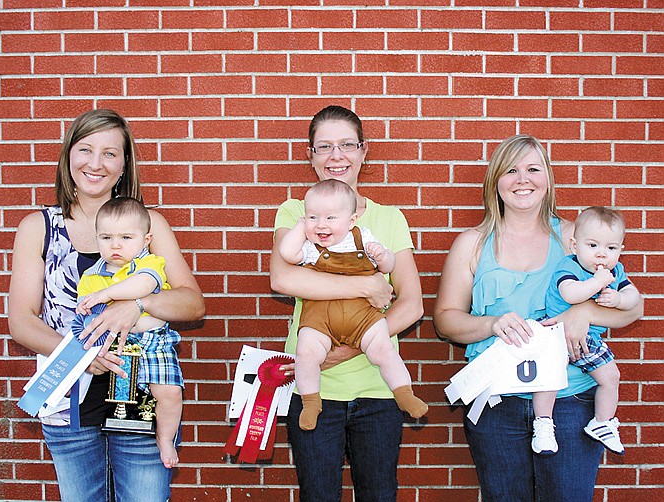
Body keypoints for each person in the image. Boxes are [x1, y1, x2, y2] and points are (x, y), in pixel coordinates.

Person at [8, 109, 205, 501]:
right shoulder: (38, 228)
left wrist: (138, 304)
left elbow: (193, 303)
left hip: (142, 398)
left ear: (124, 165)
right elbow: (22, 322)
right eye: (85, 149)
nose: (95, 163)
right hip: (69, 406)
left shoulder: (150, 225)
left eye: (110, 153)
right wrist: (81, 355)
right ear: (68, 157)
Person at [433, 134, 643, 502]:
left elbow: (633, 309)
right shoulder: (473, 242)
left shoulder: (575, 237)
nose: (522, 179)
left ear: (548, 179)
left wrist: (583, 312)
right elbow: (445, 320)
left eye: (533, 169)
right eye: (511, 170)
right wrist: (490, 324)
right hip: (498, 401)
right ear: (496, 180)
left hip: (571, 400)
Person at [270, 105, 424, 501]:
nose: (336, 156)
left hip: (377, 389)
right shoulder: (297, 211)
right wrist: (366, 287)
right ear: (310, 155)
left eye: (346, 145)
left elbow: (412, 304)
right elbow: (283, 278)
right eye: (324, 146)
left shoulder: (389, 219)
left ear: (363, 151)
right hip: (313, 385)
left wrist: (350, 346)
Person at [278, 179, 428, 430]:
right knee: (306, 353)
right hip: (321, 319)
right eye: (313, 217)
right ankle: (311, 402)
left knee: (383, 350)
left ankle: (403, 392)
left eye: (330, 218)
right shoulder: (311, 247)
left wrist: (383, 255)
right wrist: (300, 227)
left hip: (361, 317)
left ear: (351, 221)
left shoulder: (363, 239)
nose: (321, 225)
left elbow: (388, 266)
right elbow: (288, 255)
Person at [76, 197, 186, 468]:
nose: (115, 245)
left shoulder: (150, 264)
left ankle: (165, 438)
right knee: (123, 404)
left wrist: (106, 294)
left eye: (126, 237)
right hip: (116, 349)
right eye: (106, 237)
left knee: (170, 393)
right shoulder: (90, 277)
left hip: (154, 344)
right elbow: (85, 317)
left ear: (146, 239)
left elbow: (142, 287)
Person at [531, 206, 640, 456]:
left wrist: (620, 299)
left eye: (611, 248)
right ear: (574, 245)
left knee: (611, 377)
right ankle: (544, 424)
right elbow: (571, 293)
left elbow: (634, 297)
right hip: (556, 331)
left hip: (587, 337)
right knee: (550, 378)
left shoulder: (616, 272)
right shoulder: (568, 267)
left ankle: (601, 423)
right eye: (592, 246)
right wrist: (598, 283)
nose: (601, 255)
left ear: (620, 251)